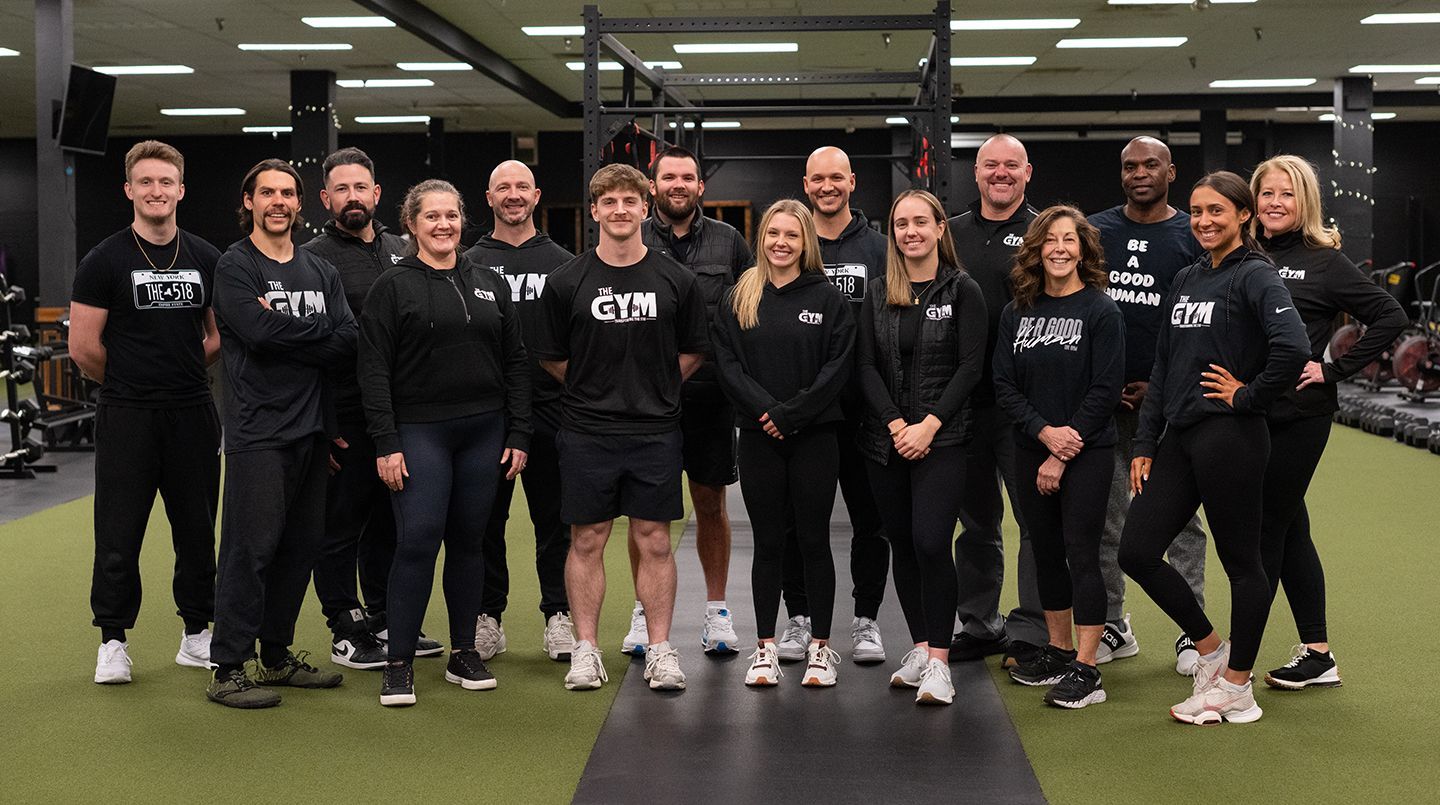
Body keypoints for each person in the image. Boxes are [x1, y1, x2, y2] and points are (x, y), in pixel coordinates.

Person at [1118, 171, 1309, 725]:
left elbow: (1293, 347)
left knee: (1242, 563)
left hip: (1232, 436)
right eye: (1197, 212)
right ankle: (1210, 649)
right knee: (1137, 550)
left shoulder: (1256, 276)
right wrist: (1146, 441)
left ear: (1243, 216)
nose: (1204, 221)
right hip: (1179, 436)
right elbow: (1163, 365)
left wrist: (1249, 396)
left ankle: (1237, 686)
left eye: (1217, 212)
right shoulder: (1185, 279)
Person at [534, 163, 709, 692]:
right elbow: (552, 357)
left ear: (644, 205)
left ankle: (659, 649)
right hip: (586, 431)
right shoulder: (567, 281)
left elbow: (694, 350)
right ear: (594, 212)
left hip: (655, 431)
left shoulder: (676, 279)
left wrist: (650, 385)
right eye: (608, 202)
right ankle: (585, 651)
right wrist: (600, 387)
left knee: (654, 540)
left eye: (629, 201)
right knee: (586, 539)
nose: (619, 210)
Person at [358, 179, 531, 707]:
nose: (443, 225)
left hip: (483, 430)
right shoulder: (393, 286)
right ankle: (399, 663)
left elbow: (517, 362)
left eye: (451, 216)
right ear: (411, 225)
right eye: (431, 217)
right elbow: (373, 370)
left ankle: (463, 652)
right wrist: (386, 442)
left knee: (470, 539)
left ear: (462, 220)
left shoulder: (488, 282)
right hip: (418, 432)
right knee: (418, 539)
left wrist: (519, 430)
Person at [1250, 155, 1407, 690]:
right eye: (1266, 192)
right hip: (1248, 412)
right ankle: (1318, 653)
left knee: (1269, 527)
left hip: (1299, 415)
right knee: (1291, 527)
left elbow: (1391, 316)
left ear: (1305, 203)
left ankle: (1234, 661)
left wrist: (1334, 368)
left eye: (1286, 194)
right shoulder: (1243, 254)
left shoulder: (1324, 261)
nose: (1274, 202)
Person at [207, 159, 357, 708]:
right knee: (250, 549)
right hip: (258, 433)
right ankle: (227, 666)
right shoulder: (235, 266)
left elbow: (348, 337)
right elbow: (257, 332)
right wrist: (304, 334)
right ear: (248, 201)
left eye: (287, 194)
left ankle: (274, 656)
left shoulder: (319, 271)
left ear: (300, 204)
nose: (277, 201)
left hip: (312, 431)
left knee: (299, 548)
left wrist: (288, 329)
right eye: (266, 192)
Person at [70, 140, 222, 684]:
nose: (156, 192)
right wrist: (137, 380)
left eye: (166, 183)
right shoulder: (104, 259)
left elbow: (215, 335)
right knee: (118, 532)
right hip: (127, 416)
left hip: (192, 413)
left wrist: (177, 371)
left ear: (180, 190)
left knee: (198, 530)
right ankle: (113, 640)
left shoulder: (206, 257)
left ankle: (197, 634)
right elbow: (84, 348)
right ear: (129, 190)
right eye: (146, 183)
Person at [302, 147, 436, 671]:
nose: (352, 197)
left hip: (401, 413)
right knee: (341, 524)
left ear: (377, 194)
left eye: (361, 188)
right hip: (345, 415)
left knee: (389, 519)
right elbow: (316, 347)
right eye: (341, 188)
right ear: (326, 197)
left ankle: (383, 615)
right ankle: (344, 624)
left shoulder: (404, 248)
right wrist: (324, 423)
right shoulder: (312, 258)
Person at [711, 199, 855, 687]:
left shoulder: (829, 299)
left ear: (806, 242)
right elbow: (728, 365)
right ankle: (766, 648)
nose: (781, 243)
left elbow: (837, 368)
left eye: (792, 235)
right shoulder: (740, 297)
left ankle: (821, 650)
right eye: (773, 233)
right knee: (768, 543)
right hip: (759, 439)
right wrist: (767, 413)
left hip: (815, 438)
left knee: (815, 540)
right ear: (762, 239)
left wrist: (792, 414)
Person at [857, 189, 986, 705]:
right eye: (901, 224)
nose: (910, 232)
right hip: (886, 441)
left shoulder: (963, 290)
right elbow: (864, 365)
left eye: (920, 222)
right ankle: (919, 646)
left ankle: (940, 663)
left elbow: (970, 367)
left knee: (932, 541)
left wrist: (928, 425)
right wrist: (894, 424)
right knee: (903, 544)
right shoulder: (876, 292)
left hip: (944, 438)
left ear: (939, 229)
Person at [993, 206, 1124, 709]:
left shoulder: (1101, 310)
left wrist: (1065, 446)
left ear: (1084, 249)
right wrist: (1044, 434)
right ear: (1036, 249)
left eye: (1070, 240)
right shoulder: (1016, 311)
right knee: (1045, 550)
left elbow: (1106, 387)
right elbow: (1004, 383)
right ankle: (1059, 649)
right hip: (1031, 448)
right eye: (1050, 240)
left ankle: (1088, 669)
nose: (1060, 248)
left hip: (1087, 452)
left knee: (1082, 554)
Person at [1088, 137, 1210, 675]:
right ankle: (1115, 622)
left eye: (1150, 165)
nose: (1140, 173)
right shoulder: (1095, 231)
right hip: (1101, 401)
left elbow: (1201, 320)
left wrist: (1155, 386)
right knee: (1107, 514)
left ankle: (1193, 630)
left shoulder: (1193, 234)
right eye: (1130, 166)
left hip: (1170, 401)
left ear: (1171, 172)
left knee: (1180, 518)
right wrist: (1102, 380)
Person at [772, 145, 889, 665]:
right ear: (805, 183)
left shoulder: (880, 248)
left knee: (871, 520)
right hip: (806, 416)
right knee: (799, 523)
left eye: (836, 178)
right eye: (818, 178)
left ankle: (866, 621)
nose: (827, 186)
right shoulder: (789, 244)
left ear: (852, 182)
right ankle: (798, 620)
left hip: (864, 412)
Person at [639, 146, 753, 656]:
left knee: (711, 504)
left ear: (700, 186)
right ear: (653, 184)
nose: (678, 184)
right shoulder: (632, 238)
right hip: (644, 402)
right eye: (669, 177)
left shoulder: (730, 242)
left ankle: (716, 611)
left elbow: (753, 310)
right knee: (646, 511)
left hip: (711, 399)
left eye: (688, 177)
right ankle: (644, 613)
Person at [464, 160, 577, 663]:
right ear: (488, 197)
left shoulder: (565, 262)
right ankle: (488, 616)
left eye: (522, 187)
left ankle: (559, 614)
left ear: (537, 196)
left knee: (555, 521)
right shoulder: (467, 263)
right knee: (485, 522)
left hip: (553, 413)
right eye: (503, 187)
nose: (513, 195)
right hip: (489, 415)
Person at [947, 134, 1046, 668]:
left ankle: (1031, 629)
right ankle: (981, 623)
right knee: (978, 523)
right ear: (977, 172)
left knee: (1034, 520)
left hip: (1025, 409)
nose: (1000, 173)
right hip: (963, 407)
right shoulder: (951, 233)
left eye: (1011, 165)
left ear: (1027, 172)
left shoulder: (1043, 234)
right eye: (990, 165)